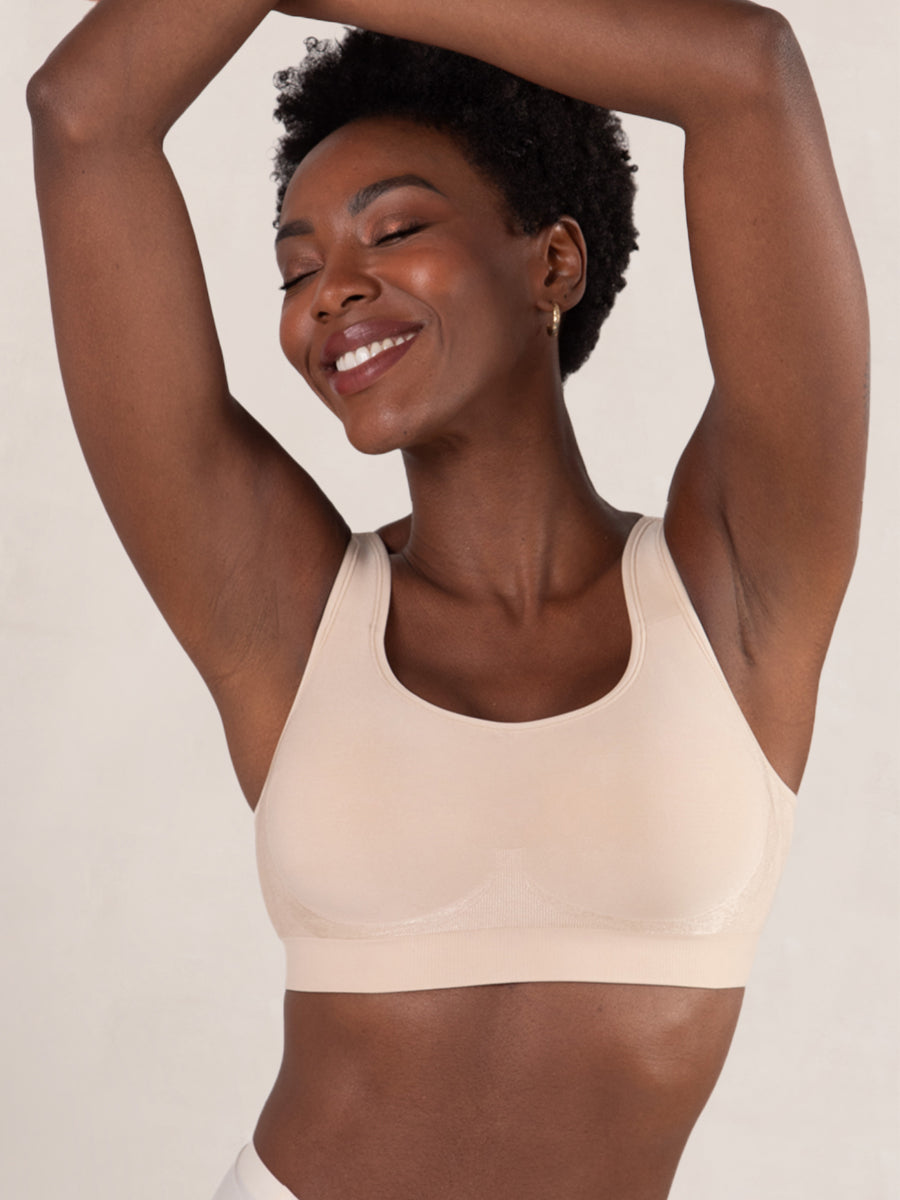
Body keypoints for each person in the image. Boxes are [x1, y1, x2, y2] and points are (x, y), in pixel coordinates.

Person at [27, 0, 868, 1196]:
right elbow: (82, 117)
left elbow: (749, 73)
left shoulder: (738, 585)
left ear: (554, 263)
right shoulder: (288, 617)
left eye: (395, 229)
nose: (330, 291)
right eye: (298, 267)